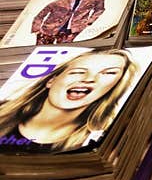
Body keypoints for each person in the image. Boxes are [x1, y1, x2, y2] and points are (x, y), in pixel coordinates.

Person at [0, 49, 137, 152]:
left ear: (115, 87)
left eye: (108, 73)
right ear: (51, 80)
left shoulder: (103, 143)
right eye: (78, 72)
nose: (89, 78)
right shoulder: (2, 109)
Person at [31, 0, 105, 45]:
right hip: (49, 30)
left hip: (71, 30)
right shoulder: (59, 2)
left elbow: (99, 9)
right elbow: (40, 15)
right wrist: (36, 29)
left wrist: (90, 20)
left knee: (63, 52)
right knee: (41, 50)